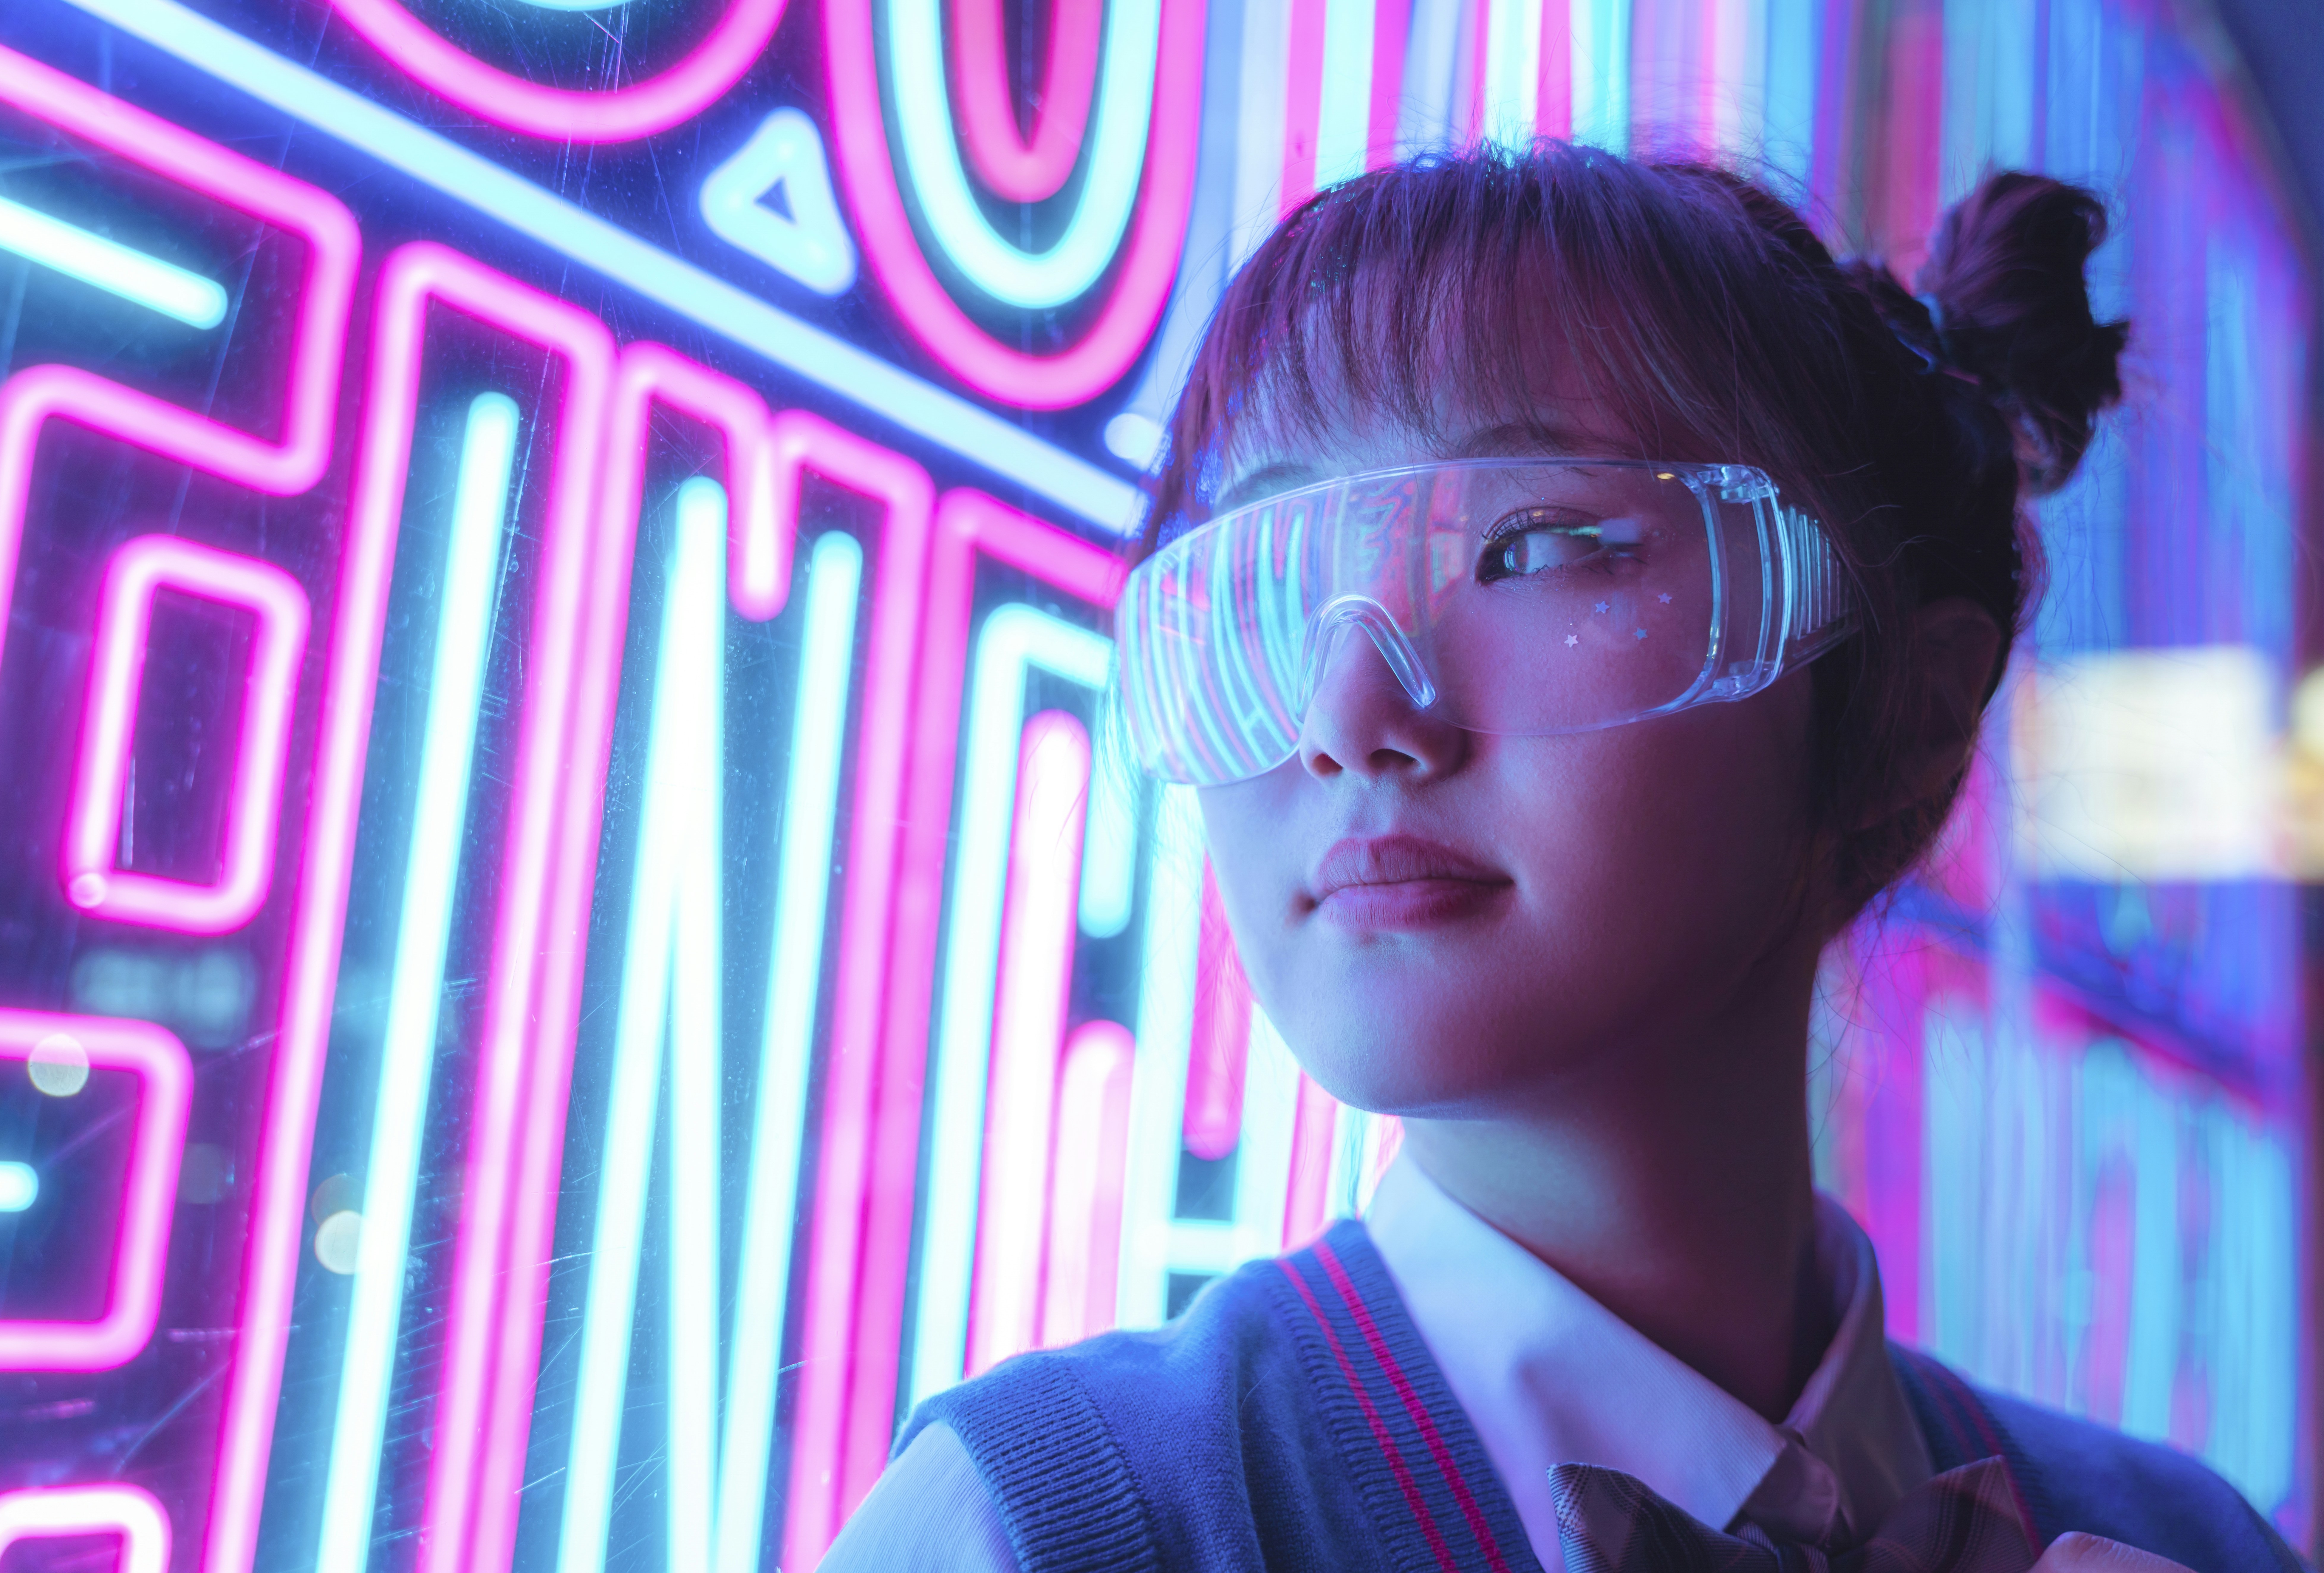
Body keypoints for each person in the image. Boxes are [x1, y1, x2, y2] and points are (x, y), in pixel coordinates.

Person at [819, 145, 2303, 1572]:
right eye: (1271, 571)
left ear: (1909, 713)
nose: (1352, 715)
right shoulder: (1052, 1526)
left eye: (1533, 546)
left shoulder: (2196, 1540)